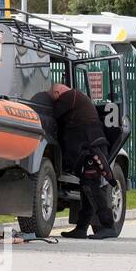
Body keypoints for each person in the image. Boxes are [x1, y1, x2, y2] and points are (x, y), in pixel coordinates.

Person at [49, 83, 118, 240]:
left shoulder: (70, 96)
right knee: (86, 188)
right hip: (92, 147)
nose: (55, 100)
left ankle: (108, 226)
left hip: (91, 150)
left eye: (53, 97)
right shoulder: (78, 99)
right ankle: (81, 228)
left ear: (58, 92)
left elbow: (53, 113)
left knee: (91, 187)